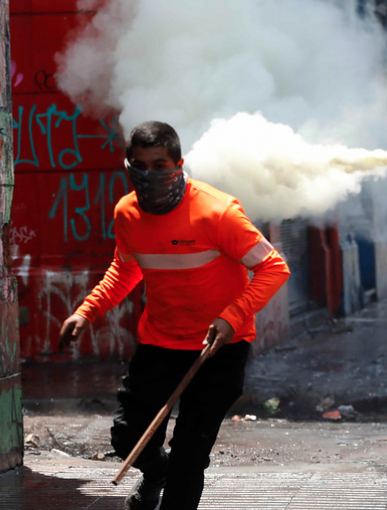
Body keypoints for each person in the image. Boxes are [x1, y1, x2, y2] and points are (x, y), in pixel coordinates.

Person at [58, 121, 290, 510]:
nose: (149, 175)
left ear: (179, 164)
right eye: (140, 165)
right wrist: (88, 310)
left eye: (160, 165)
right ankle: (155, 471)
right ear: (129, 165)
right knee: (129, 438)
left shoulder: (218, 212)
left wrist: (232, 315)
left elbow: (273, 267)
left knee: (190, 453)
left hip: (219, 348)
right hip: (159, 343)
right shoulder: (127, 213)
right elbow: (126, 269)